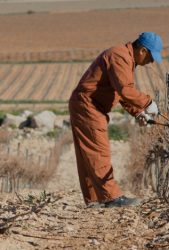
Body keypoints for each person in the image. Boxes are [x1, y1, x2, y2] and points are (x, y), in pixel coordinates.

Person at [68, 32, 162, 208]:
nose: (152, 62)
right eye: (151, 56)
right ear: (142, 50)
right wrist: (148, 102)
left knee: (88, 154)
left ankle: (94, 199)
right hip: (88, 105)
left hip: (87, 105)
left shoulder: (123, 56)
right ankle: (112, 198)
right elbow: (125, 89)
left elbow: (119, 92)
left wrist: (138, 112)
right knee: (98, 151)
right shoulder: (120, 56)